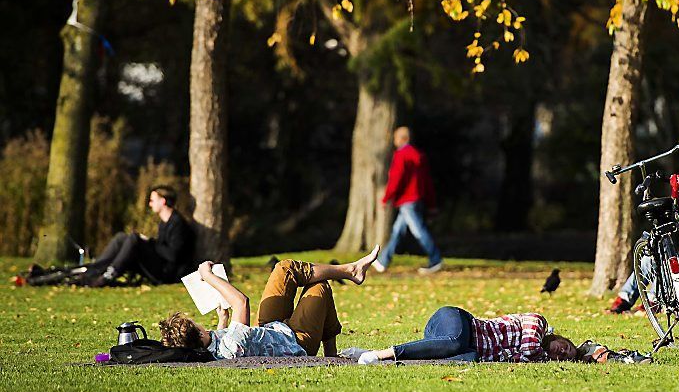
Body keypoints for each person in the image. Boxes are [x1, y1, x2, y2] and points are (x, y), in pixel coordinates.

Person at [158, 247, 380, 359]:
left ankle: (351, 270)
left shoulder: (210, 348)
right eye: (197, 326)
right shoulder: (232, 344)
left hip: (270, 327)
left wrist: (222, 319)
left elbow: (218, 341)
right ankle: (331, 356)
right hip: (296, 342)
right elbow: (241, 302)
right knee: (319, 287)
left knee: (285, 268)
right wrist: (208, 276)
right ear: (197, 334)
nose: (200, 325)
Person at [345, 306, 578, 364]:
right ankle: (381, 353)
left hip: (453, 345)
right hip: (456, 321)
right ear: (560, 338)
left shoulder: (536, 356)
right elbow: (528, 348)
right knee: (456, 343)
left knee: (469, 359)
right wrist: (541, 358)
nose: (561, 352)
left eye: (564, 357)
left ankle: (371, 356)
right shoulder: (538, 322)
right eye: (566, 347)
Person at [78, 185, 195, 287]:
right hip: (160, 266)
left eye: (152, 200)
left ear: (163, 201)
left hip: (166, 274)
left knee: (134, 238)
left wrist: (150, 242)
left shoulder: (178, 223)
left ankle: (110, 274)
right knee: (121, 238)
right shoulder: (164, 222)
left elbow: (173, 255)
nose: (150, 204)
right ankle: (93, 271)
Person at [374, 126, 442, 274]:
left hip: (407, 200)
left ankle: (435, 258)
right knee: (397, 231)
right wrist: (431, 203)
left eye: (395, 138)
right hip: (417, 199)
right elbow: (427, 182)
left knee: (418, 231)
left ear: (401, 138)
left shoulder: (401, 155)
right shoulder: (419, 155)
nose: (394, 141)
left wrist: (387, 198)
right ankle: (383, 261)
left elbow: (396, 178)